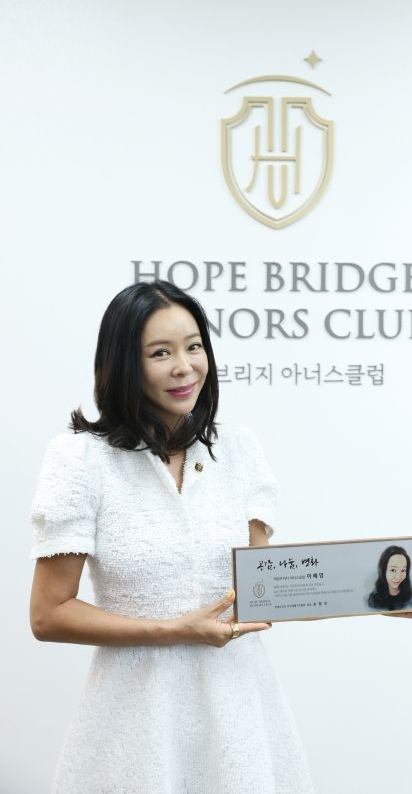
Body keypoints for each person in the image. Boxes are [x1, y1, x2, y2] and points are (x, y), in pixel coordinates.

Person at [29, 280, 315, 794]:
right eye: (161, 353)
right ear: (124, 365)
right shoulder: (81, 460)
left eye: (194, 346)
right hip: (134, 722)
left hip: (240, 715)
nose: (185, 367)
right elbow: (48, 614)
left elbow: (264, 589)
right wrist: (173, 631)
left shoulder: (239, 450)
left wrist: (384, 594)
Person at [367, 545, 412, 612]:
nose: (398, 577)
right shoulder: (374, 600)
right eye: (393, 570)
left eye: (403, 570)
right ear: (383, 570)